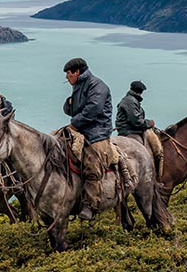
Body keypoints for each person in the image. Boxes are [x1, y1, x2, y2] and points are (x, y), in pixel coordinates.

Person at [61, 57, 113, 220]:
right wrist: (69, 104)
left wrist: (75, 124)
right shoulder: (79, 86)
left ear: (77, 72)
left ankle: (90, 204)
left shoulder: (97, 85)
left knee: (92, 165)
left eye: (68, 74)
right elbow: (72, 110)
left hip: (97, 131)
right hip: (81, 128)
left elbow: (93, 110)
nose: (67, 77)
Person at [115, 80, 164, 177]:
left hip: (131, 129)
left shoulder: (131, 100)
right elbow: (136, 121)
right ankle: (153, 175)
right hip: (130, 132)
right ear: (140, 91)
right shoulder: (130, 101)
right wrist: (149, 123)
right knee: (154, 150)